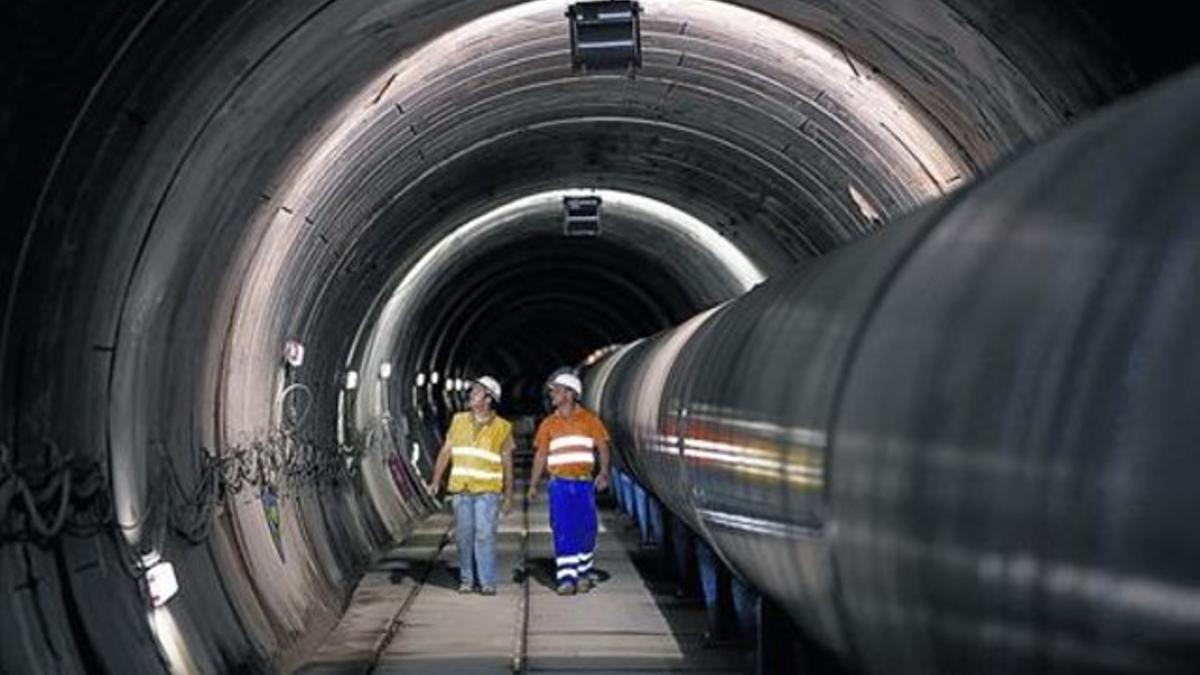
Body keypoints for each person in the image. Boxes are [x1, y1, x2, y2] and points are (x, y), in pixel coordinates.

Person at [429, 376, 514, 595]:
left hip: (487, 491)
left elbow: (507, 462)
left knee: (484, 535)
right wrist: (436, 480)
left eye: (476, 391)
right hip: (461, 490)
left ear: (488, 399)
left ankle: (487, 582)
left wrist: (509, 494)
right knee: (464, 536)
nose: (471, 394)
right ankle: (467, 579)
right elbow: (446, 451)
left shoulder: (503, 428)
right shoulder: (458, 421)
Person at [527, 370, 610, 595]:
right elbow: (541, 455)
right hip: (560, 485)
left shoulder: (590, 421)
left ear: (571, 394)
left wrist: (603, 472)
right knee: (563, 529)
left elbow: (602, 446)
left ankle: (583, 573)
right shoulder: (548, 424)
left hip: (584, 484)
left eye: (557, 390)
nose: (552, 394)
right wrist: (533, 484)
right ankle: (567, 578)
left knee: (587, 529)